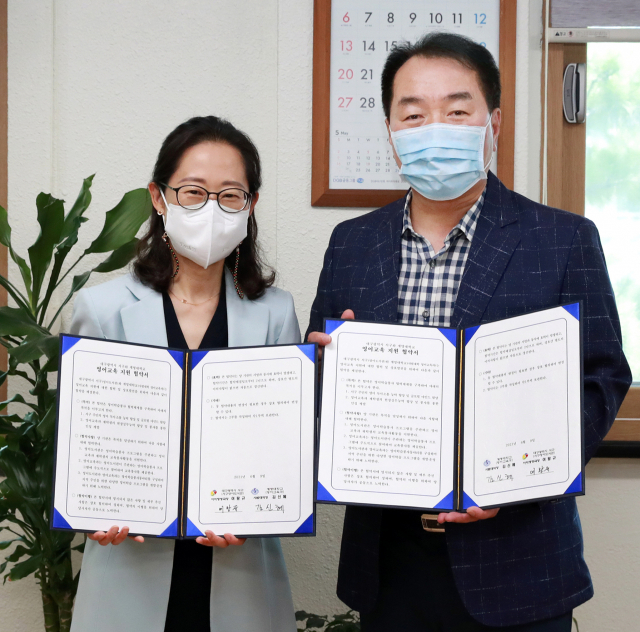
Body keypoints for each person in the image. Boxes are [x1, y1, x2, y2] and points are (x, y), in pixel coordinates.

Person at [307, 33, 632, 632]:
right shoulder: (351, 244)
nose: (436, 127)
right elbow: (320, 379)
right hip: (389, 558)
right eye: (414, 113)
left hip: (520, 554)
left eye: (458, 111)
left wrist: (526, 476)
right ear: (390, 130)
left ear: (494, 123)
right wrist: (326, 368)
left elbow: (604, 375)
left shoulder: (562, 238)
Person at [69, 116, 299, 632]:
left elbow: (283, 444)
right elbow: (82, 444)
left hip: (239, 572)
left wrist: (260, 511)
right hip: (129, 571)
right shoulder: (101, 308)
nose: (211, 209)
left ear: (251, 205)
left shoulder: (276, 313)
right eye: (192, 192)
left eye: (230, 195)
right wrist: (91, 511)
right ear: (159, 196)